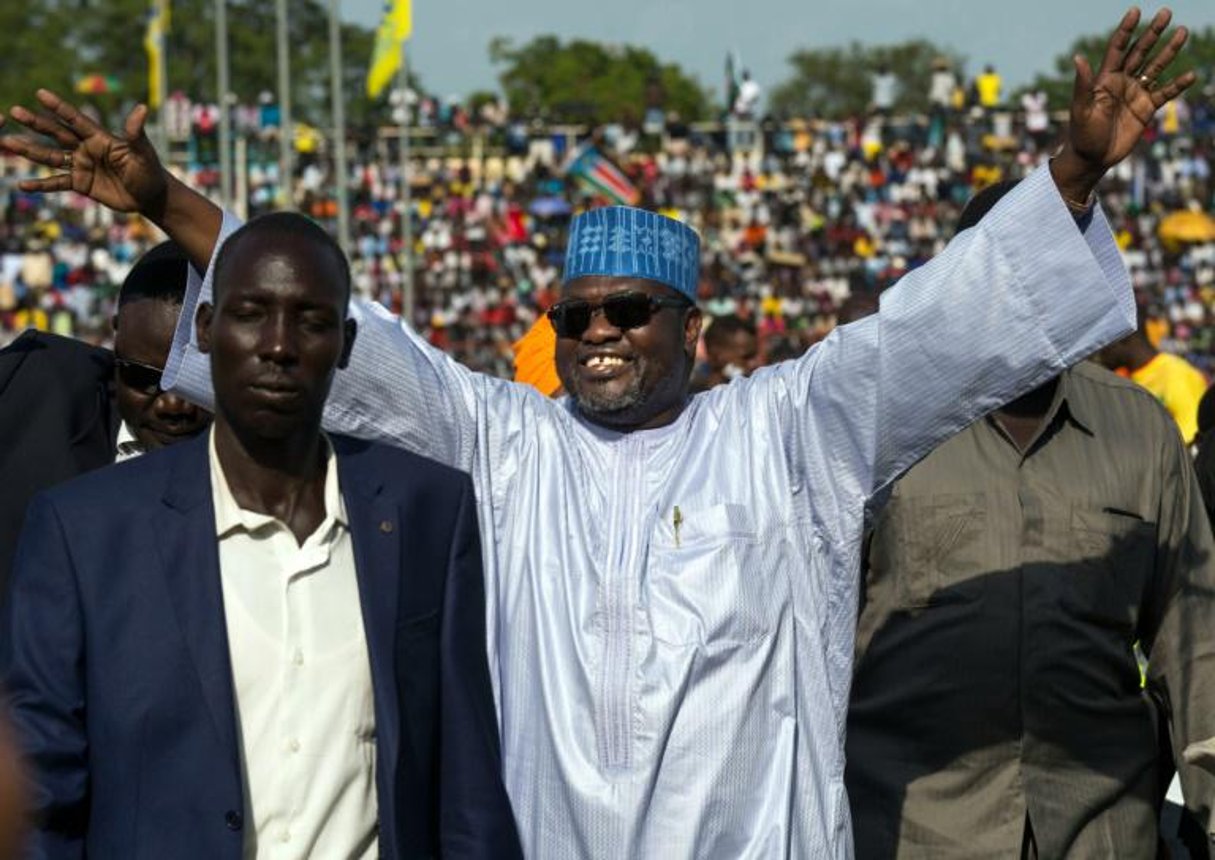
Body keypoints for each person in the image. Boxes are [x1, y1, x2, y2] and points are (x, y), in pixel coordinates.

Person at [1, 9, 1195, 857]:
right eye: (575, 315)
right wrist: (167, 203)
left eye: (630, 312)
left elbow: (940, 328)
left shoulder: (790, 432)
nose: (600, 334)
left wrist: (1077, 171)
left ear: (696, 327)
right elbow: (330, 329)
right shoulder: (508, 444)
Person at [0, 213, 520, 859]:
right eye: (251, 313)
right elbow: (43, 803)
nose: (278, 345)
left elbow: (466, 789)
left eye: (310, 320)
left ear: (346, 344)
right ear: (207, 331)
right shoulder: (86, 532)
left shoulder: (425, 512)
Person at [845, 179, 1215, 858]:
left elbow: (1192, 641)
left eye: (1052, 264)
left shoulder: (1138, 428)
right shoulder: (880, 424)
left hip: (1101, 829)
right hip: (912, 830)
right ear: (958, 275)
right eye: (1000, 264)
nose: (1024, 287)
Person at [0, 240, 210, 592]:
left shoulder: (271, 469)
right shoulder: (36, 386)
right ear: (117, 338)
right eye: (144, 378)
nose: (174, 406)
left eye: (197, 383)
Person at [1096, 307, 1208, 444]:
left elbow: (1191, 435)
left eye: (1102, 341)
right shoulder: (1121, 381)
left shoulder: (1175, 373)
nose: (1098, 350)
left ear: (1124, 338)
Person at [692, 313, 759, 391]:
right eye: (746, 357)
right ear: (716, 356)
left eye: (754, 356)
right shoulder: (693, 399)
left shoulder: (757, 394)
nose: (755, 363)